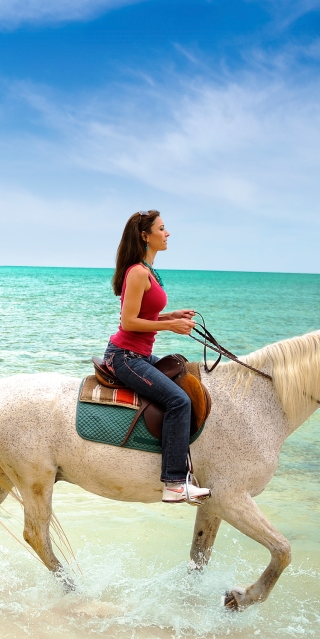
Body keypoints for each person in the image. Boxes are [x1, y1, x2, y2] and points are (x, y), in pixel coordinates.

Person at [103, 210, 211, 504]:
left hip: (140, 354)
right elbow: (128, 323)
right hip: (126, 357)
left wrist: (170, 315)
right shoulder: (137, 272)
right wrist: (170, 325)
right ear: (145, 235)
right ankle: (175, 483)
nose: (168, 233)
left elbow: (144, 315)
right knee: (178, 400)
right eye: (162, 228)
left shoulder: (146, 270)